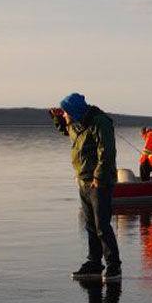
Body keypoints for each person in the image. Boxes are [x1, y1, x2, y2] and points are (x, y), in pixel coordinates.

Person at [49, 93, 121, 282]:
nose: (65, 115)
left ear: (74, 111)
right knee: (90, 226)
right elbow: (68, 131)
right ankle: (94, 264)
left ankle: (114, 267)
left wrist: (99, 176)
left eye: (65, 112)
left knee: (102, 226)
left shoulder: (100, 122)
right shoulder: (78, 123)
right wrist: (58, 119)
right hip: (83, 181)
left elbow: (107, 151)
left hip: (99, 182)